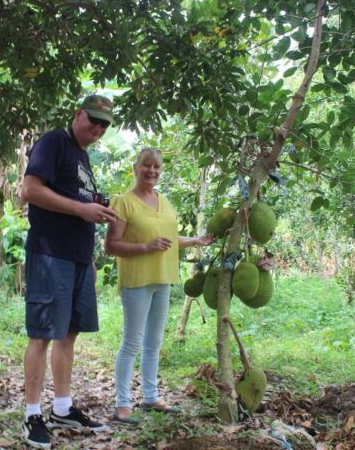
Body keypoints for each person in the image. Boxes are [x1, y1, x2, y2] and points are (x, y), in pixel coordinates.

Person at [19, 95, 119, 449]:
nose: (98, 128)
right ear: (78, 114)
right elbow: (29, 190)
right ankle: (32, 414)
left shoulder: (83, 157)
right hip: (50, 254)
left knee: (69, 333)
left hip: (77, 259)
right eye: (93, 120)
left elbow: (80, 206)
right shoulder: (54, 142)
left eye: (105, 124)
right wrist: (81, 208)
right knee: (42, 334)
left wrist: (93, 212)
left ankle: (62, 408)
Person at [105, 148, 215, 424]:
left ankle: (151, 397)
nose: (151, 171)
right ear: (136, 168)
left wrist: (195, 241)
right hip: (137, 280)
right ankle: (122, 404)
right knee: (132, 341)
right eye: (146, 165)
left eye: (156, 167)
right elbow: (111, 246)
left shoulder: (164, 201)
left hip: (164, 278)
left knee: (154, 343)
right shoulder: (123, 202)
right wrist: (146, 246)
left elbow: (168, 237)